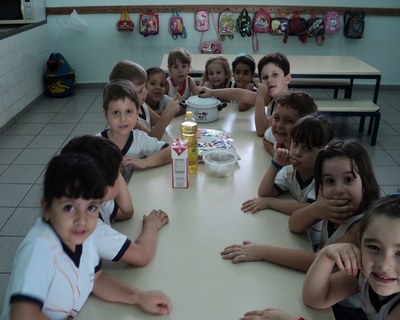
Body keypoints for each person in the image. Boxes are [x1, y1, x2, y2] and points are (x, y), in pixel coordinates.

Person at [1, 153, 172, 319]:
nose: (82, 220)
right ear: (46, 208)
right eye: (69, 207)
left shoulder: (85, 236)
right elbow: (23, 315)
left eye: (91, 208)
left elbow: (96, 279)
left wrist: (138, 297)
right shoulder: (40, 248)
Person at [223, 140, 380, 319]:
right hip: (323, 294)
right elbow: (295, 225)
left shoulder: (363, 227)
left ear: (366, 183)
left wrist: (262, 251)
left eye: (348, 180)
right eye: (329, 181)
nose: (338, 190)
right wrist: (316, 208)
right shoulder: (331, 210)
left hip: (345, 309)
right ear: (320, 186)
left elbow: (315, 261)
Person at [61, 135, 169, 267]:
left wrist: (112, 169)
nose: (121, 175)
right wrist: (151, 225)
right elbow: (142, 255)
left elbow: (126, 211)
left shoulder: (87, 197)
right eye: (118, 173)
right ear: (105, 189)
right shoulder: (88, 227)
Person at [241, 113, 334, 247]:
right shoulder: (290, 171)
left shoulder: (323, 180)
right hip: (297, 237)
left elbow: (308, 208)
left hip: (313, 244)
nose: (296, 152)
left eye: (307, 148)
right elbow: (264, 193)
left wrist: (270, 203)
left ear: (323, 152)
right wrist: (275, 164)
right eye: (295, 144)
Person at [303, 195, 400, 320]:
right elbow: (315, 299)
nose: (384, 265)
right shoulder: (365, 274)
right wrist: (326, 256)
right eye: (374, 247)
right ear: (360, 241)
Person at [199, 52, 292, 153]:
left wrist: (259, 97)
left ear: (287, 79)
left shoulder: (287, 106)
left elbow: (261, 130)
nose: (269, 80)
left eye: (275, 75)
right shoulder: (275, 99)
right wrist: (211, 92)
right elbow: (238, 94)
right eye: (265, 77)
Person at [98, 79, 171, 181]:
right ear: (106, 114)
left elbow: (171, 151)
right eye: (115, 113)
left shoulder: (140, 139)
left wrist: (144, 162)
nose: (123, 119)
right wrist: (108, 172)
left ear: (137, 112)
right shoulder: (96, 144)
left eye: (129, 111)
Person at [109, 59, 179, 140]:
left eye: (145, 86)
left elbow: (159, 123)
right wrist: (166, 114)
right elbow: (151, 139)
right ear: (123, 96)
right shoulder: (127, 118)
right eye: (140, 90)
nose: (146, 91)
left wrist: (171, 110)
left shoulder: (142, 105)